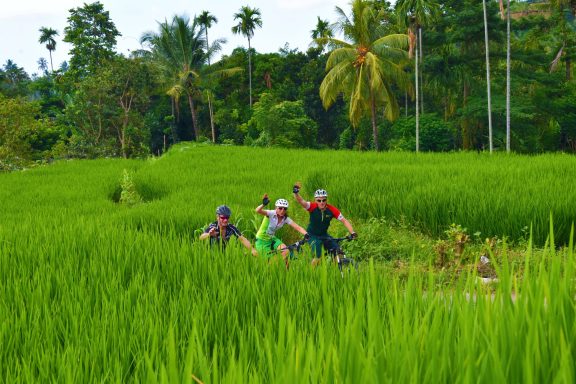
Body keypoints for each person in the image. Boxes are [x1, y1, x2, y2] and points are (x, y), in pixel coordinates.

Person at [293, 185, 357, 266]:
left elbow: (344, 221)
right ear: (315, 200)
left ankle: (336, 270)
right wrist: (296, 193)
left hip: (324, 235)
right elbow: (301, 201)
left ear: (326, 200)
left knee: (338, 251)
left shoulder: (331, 209)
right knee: (318, 256)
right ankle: (309, 273)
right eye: (319, 200)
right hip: (312, 235)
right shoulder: (312, 207)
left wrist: (352, 232)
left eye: (324, 200)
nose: (321, 202)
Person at [255, 195, 309, 267]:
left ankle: (287, 272)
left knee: (286, 251)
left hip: (271, 239)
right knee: (270, 263)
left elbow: (297, 227)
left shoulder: (285, 218)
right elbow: (258, 210)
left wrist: (307, 234)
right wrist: (263, 204)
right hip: (261, 240)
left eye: (284, 209)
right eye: (280, 208)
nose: (282, 210)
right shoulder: (271, 213)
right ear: (276, 208)